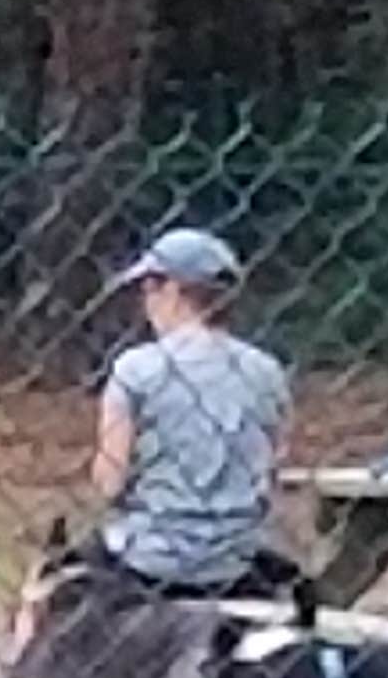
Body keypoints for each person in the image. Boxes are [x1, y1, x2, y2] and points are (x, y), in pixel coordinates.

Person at [86, 226, 302, 602]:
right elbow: (274, 464)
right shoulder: (266, 371)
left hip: (150, 557)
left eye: (149, 288)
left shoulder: (136, 369)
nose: (144, 301)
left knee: (48, 580)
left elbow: (109, 480)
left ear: (171, 289)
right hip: (236, 559)